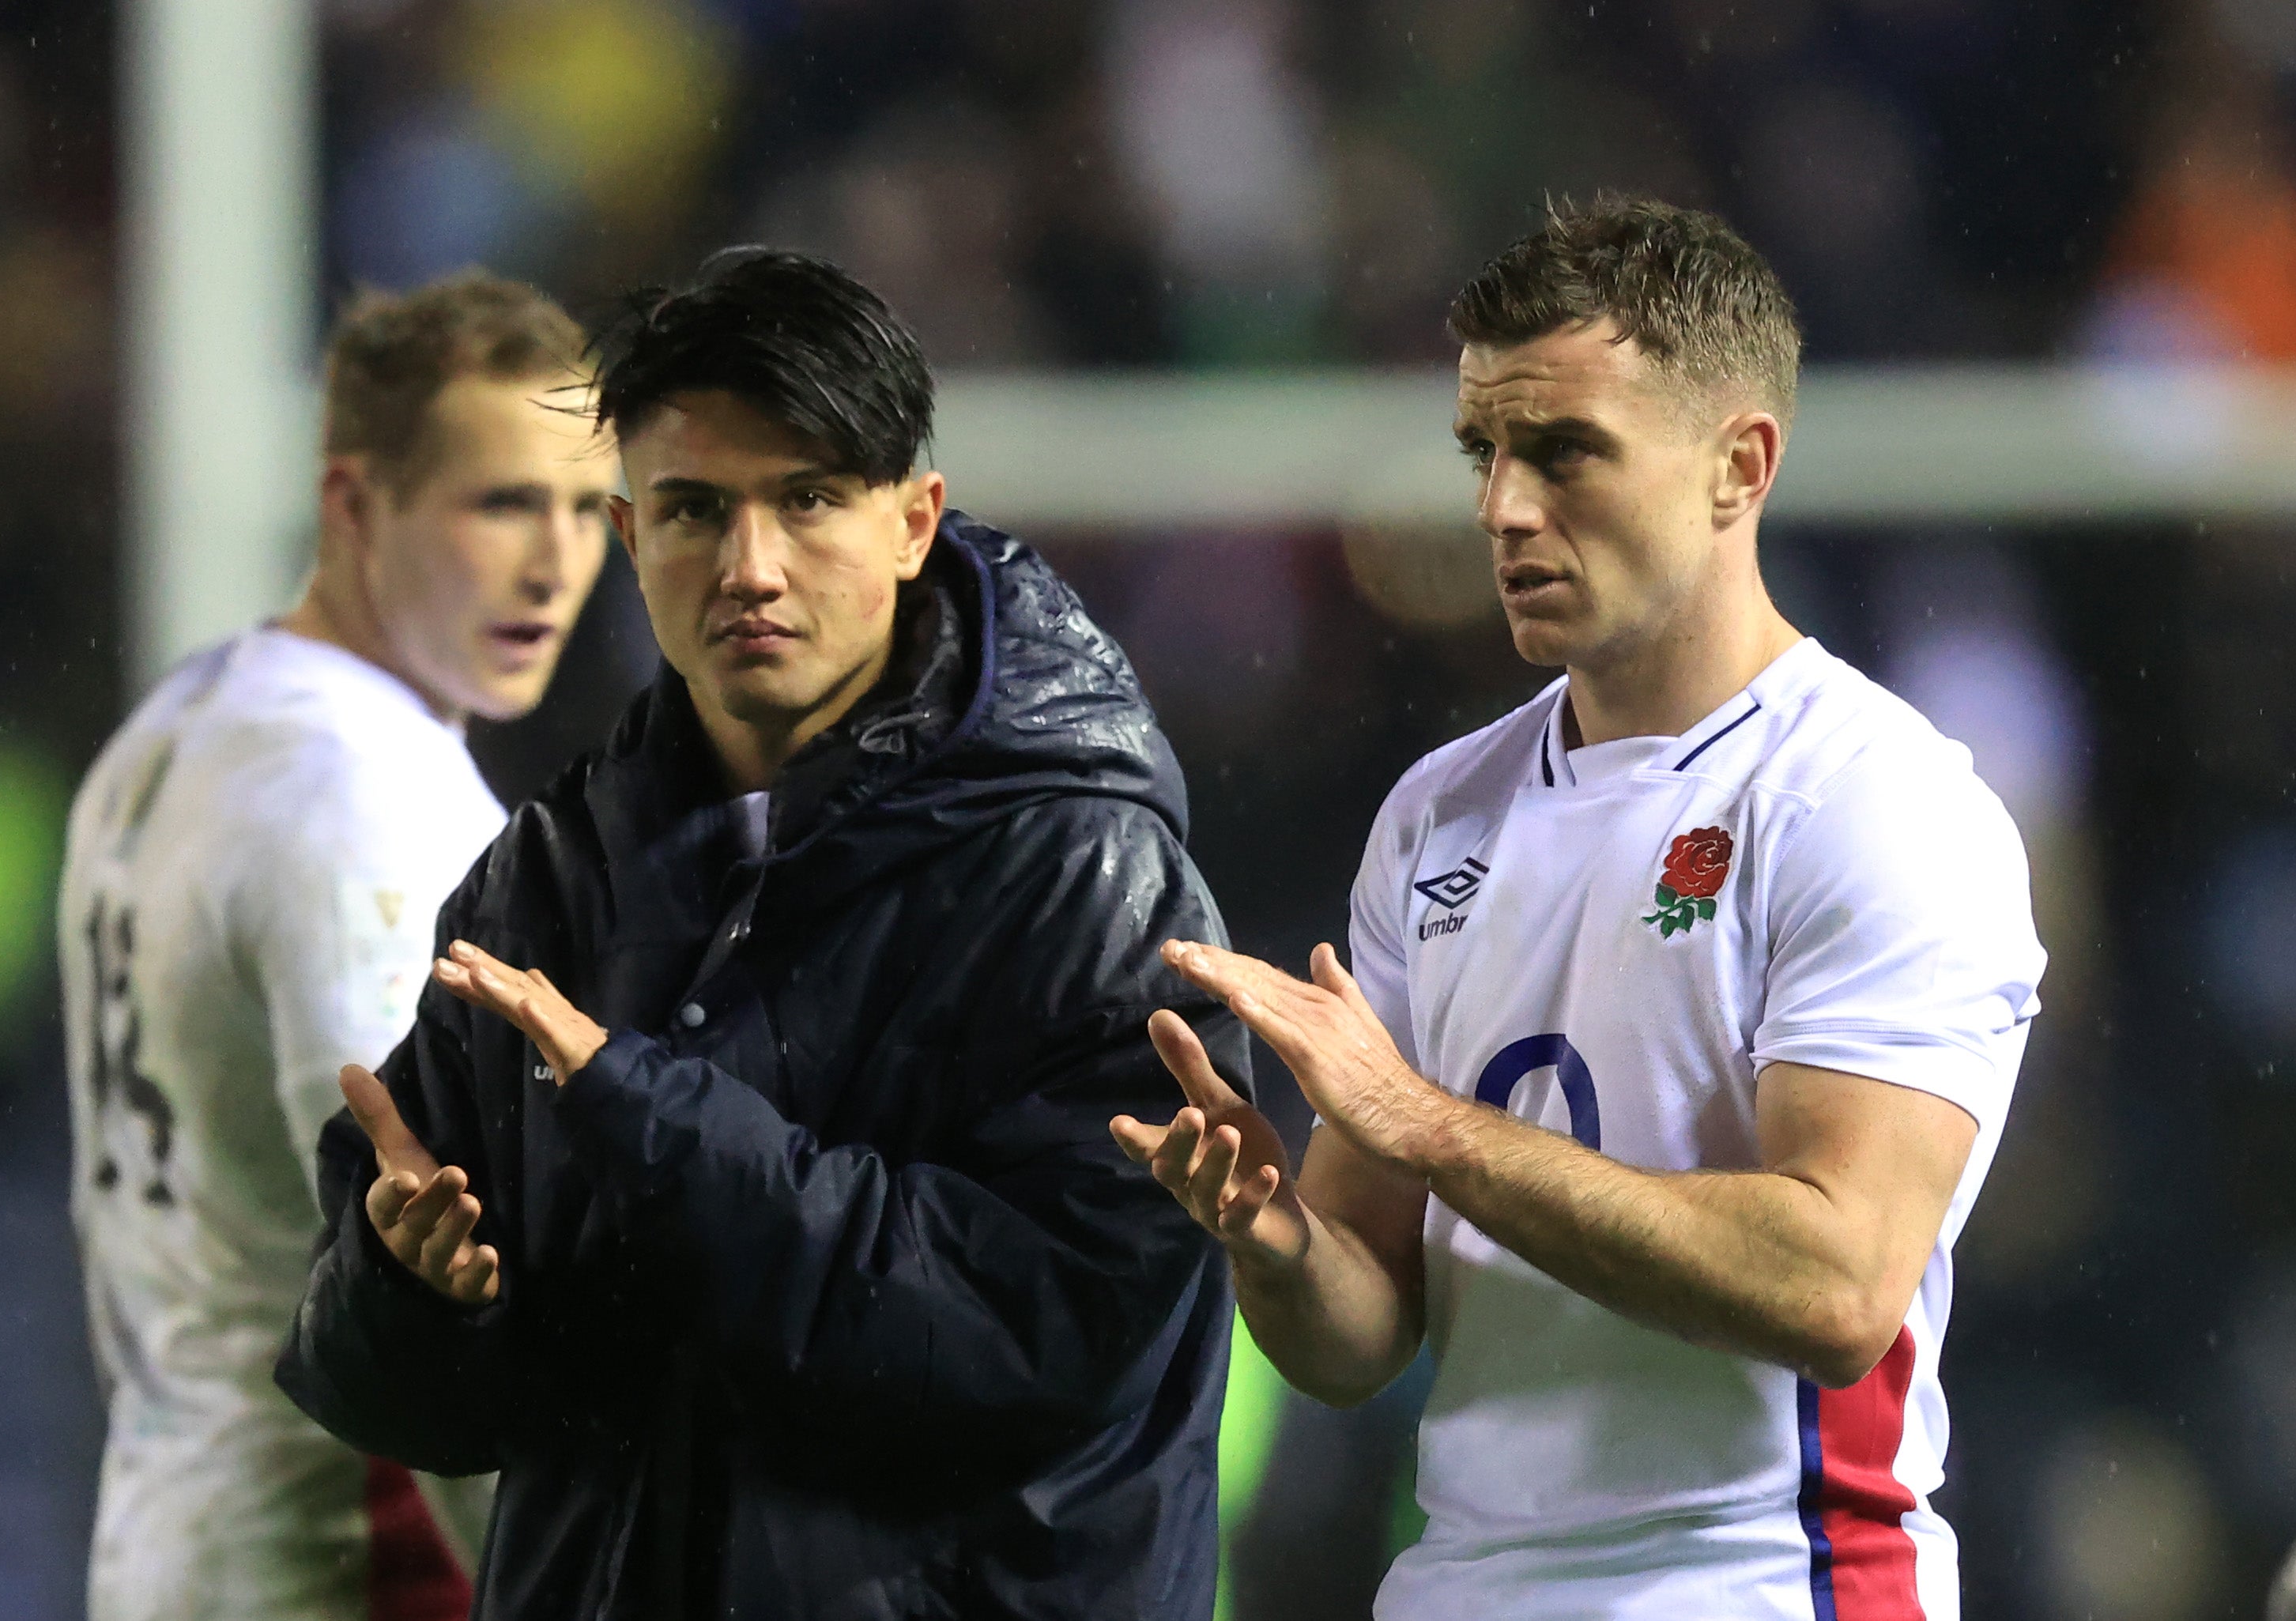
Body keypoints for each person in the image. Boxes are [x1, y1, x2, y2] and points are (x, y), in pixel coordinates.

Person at [275, 249, 1248, 1620]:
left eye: (806, 501)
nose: (749, 567)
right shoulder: (546, 878)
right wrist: (408, 1286)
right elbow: (424, 1405)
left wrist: (644, 1113)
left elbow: (1028, 1347)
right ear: (629, 540)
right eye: (692, 511)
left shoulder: (1085, 880)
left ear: (915, 522)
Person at [1114, 197, 2047, 1620]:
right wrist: (1273, 1238)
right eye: (1482, 452)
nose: (1501, 505)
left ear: (1740, 466)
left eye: (1562, 452)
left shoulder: (1877, 801)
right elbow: (1362, 1334)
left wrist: (1428, 1125)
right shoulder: (1440, 811)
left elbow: (1837, 1288)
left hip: (1758, 1587)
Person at [61, 271, 619, 1621]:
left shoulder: (180, 726)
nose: (555, 564)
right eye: (501, 503)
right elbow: (435, 1275)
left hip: (173, 1537)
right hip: (348, 1567)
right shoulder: (365, 805)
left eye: (588, 508)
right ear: (355, 505)